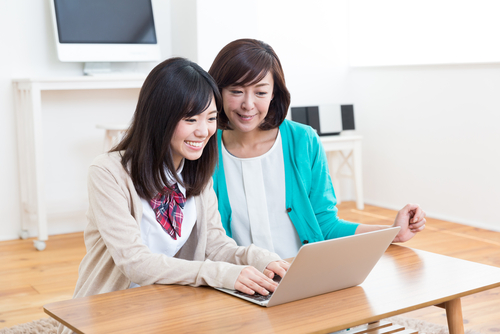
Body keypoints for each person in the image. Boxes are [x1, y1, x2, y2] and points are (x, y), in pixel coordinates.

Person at [59, 57, 289, 334]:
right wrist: (219, 274)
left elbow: (216, 246)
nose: (203, 131)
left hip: (166, 309)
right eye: (190, 119)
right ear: (160, 117)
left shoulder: (197, 174)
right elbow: (135, 263)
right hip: (109, 315)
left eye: (211, 118)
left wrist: (260, 259)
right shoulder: (108, 173)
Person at [208, 39, 426, 259]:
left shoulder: (303, 141)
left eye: (261, 93)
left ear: (274, 93)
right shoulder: (205, 149)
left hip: (300, 276)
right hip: (240, 283)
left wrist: (394, 233)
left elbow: (326, 226)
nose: (248, 104)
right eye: (236, 91)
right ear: (219, 91)